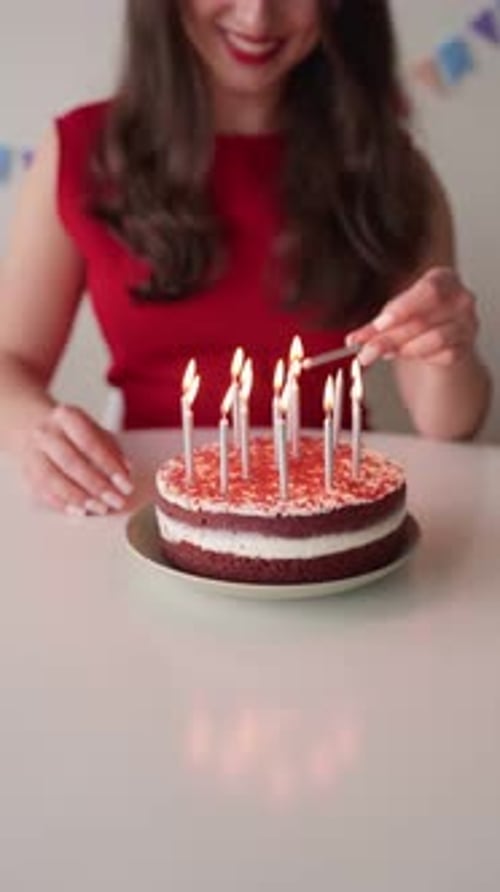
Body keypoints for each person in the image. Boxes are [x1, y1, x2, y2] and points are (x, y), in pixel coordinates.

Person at [0, 0, 491, 517]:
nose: (257, 17)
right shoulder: (83, 151)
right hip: (143, 506)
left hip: (328, 512)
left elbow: (450, 424)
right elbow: (10, 361)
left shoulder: (391, 172)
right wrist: (32, 428)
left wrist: (447, 348)